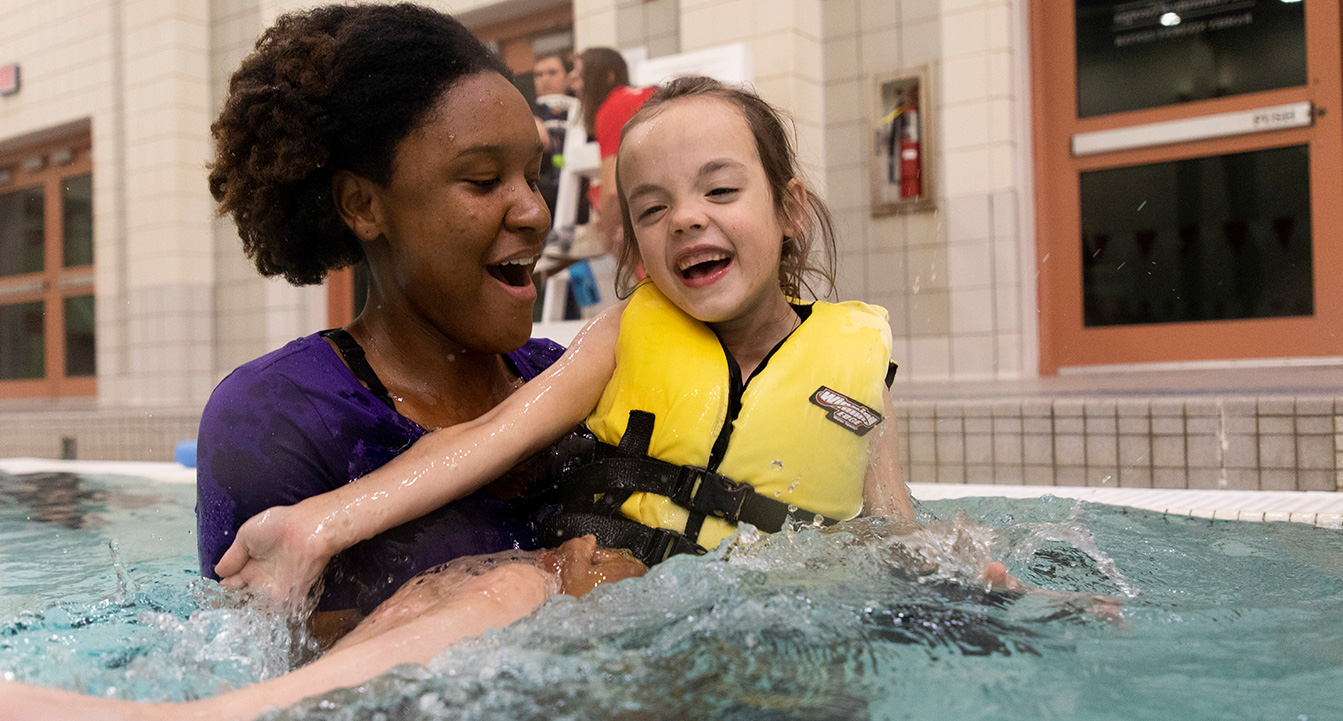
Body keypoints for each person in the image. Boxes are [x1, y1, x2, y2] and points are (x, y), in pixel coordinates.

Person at [215, 76, 925, 605]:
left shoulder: (857, 368)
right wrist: (319, 524)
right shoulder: (624, 336)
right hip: (629, 612)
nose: (685, 219)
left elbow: (894, 534)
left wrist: (963, 587)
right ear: (637, 247)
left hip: (785, 630)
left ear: (789, 208)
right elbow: (491, 435)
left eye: (719, 191)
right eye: (653, 207)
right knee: (496, 589)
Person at [195, 2, 564, 643]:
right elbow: (286, 685)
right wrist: (555, 581)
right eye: (482, 181)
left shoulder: (562, 379)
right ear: (363, 205)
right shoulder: (281, 417)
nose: (533, 211)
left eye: (534, 176)